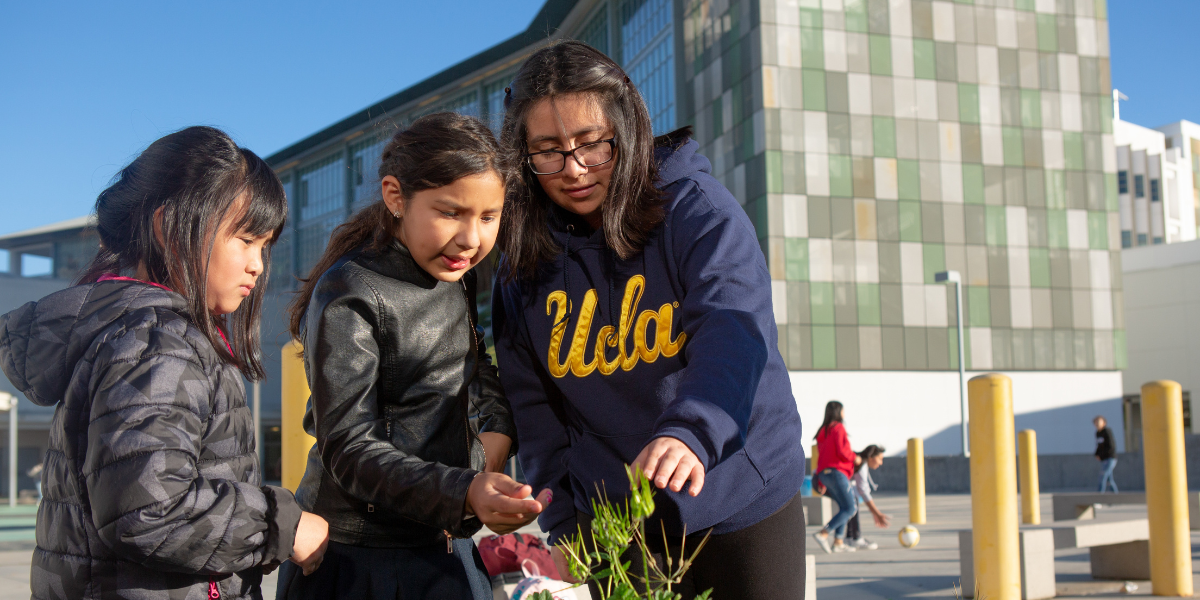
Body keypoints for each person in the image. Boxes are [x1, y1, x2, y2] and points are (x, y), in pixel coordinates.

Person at [492, 41, 807, 600]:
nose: (574, 169)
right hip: (619, 525)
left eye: (593, 145)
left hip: (742, 494)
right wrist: (565, 525)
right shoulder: (522, 265)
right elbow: (535, 408)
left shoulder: (696, 209)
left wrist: (693, 430)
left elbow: (733, 329)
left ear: (627, 127)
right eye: (548, 151)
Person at [0, 126, 329, 599]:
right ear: (169, 227)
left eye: (265, 246)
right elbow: (149, 509)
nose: (257, 265)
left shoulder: (140, 331)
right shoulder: (156, 341)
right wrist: (284, 524)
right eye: (244, 239)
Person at [278, 113, 548, 600]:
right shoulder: (349, 291)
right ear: (395, 196)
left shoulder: (455, 274)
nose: (471, 239)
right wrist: (463, 490)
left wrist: (498, 436)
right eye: (450, 212)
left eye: (489, 217)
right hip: (356, 555)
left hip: (442, 542)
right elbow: (349, 447)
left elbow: (476, 364)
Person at [812, 401, 858, 553]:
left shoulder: (822, 431)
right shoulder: (838, 428)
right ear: (839, 411)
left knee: (844, 507)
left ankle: (838, 542)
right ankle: (823, 533)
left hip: (824, 474)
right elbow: (843, 451)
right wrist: (855, 458)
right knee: (851, 508)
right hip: (837, 473)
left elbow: (820, 457)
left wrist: (819, 479)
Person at [844, 444, 891, 550]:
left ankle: (850, 537)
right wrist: (877, 513)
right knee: (852, 504)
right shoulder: (861, 465)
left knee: (852, 502)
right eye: (880, 459)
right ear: (871, 457)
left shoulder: (860, 464)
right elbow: (863, 490)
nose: (881, 463)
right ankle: (856, 538)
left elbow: (860, 489)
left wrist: (874, 512)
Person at [1094, 416, 1118, 493]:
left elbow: (1111, 446)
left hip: (1110, 458)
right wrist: (1097, 454)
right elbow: (1099, 446)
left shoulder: (1107, 431)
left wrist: (1102, 455)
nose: (1097, 423)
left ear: (1104, 423)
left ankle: (1098, 498)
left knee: (1103, 476)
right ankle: (1116, 497)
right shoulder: (1097, 433)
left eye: (1099, 421)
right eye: (1096, 421)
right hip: (1104, 459)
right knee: (1109, 480)